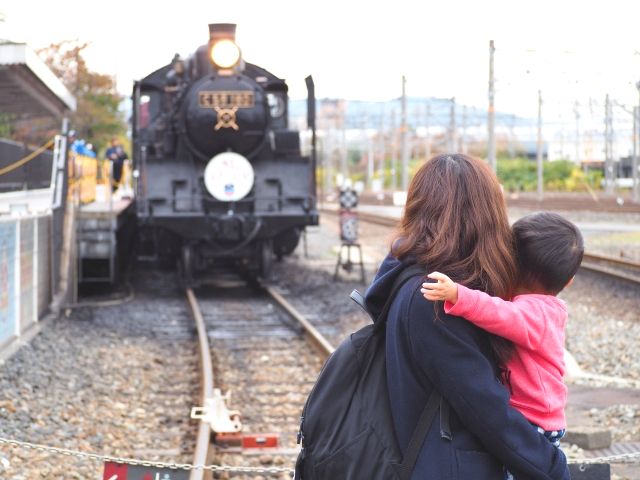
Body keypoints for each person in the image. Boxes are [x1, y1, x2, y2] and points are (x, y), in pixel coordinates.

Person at [364, 154, 569, 479]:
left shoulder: (409, 279)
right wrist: (552, 466)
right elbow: (485, 408)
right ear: (481, 218)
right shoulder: (433, 298)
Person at [422, 211, 583, 479]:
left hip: (536, 423)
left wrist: (458, 294)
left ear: (511, 263)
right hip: (533, 418)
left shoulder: (538, 314)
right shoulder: (536, 307)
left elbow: (500, 314)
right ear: (569, 281)